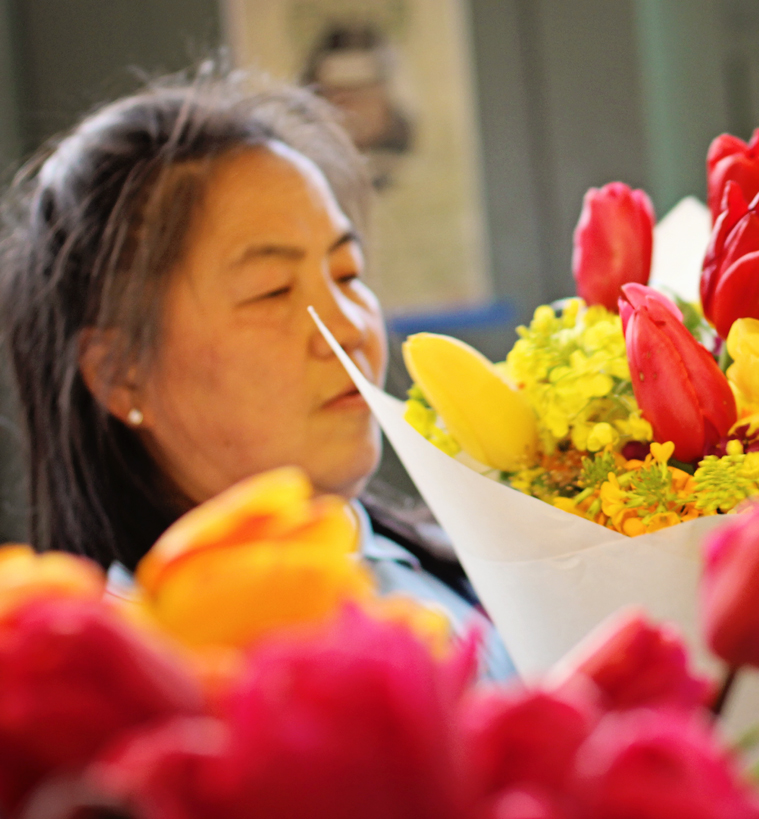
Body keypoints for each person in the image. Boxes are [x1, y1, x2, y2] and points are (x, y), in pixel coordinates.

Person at [0, 66, 515, 679]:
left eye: (348, 275)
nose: (348, 329)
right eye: (273, 292)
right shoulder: (138, 682)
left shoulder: (463, 571)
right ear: (120, 374)